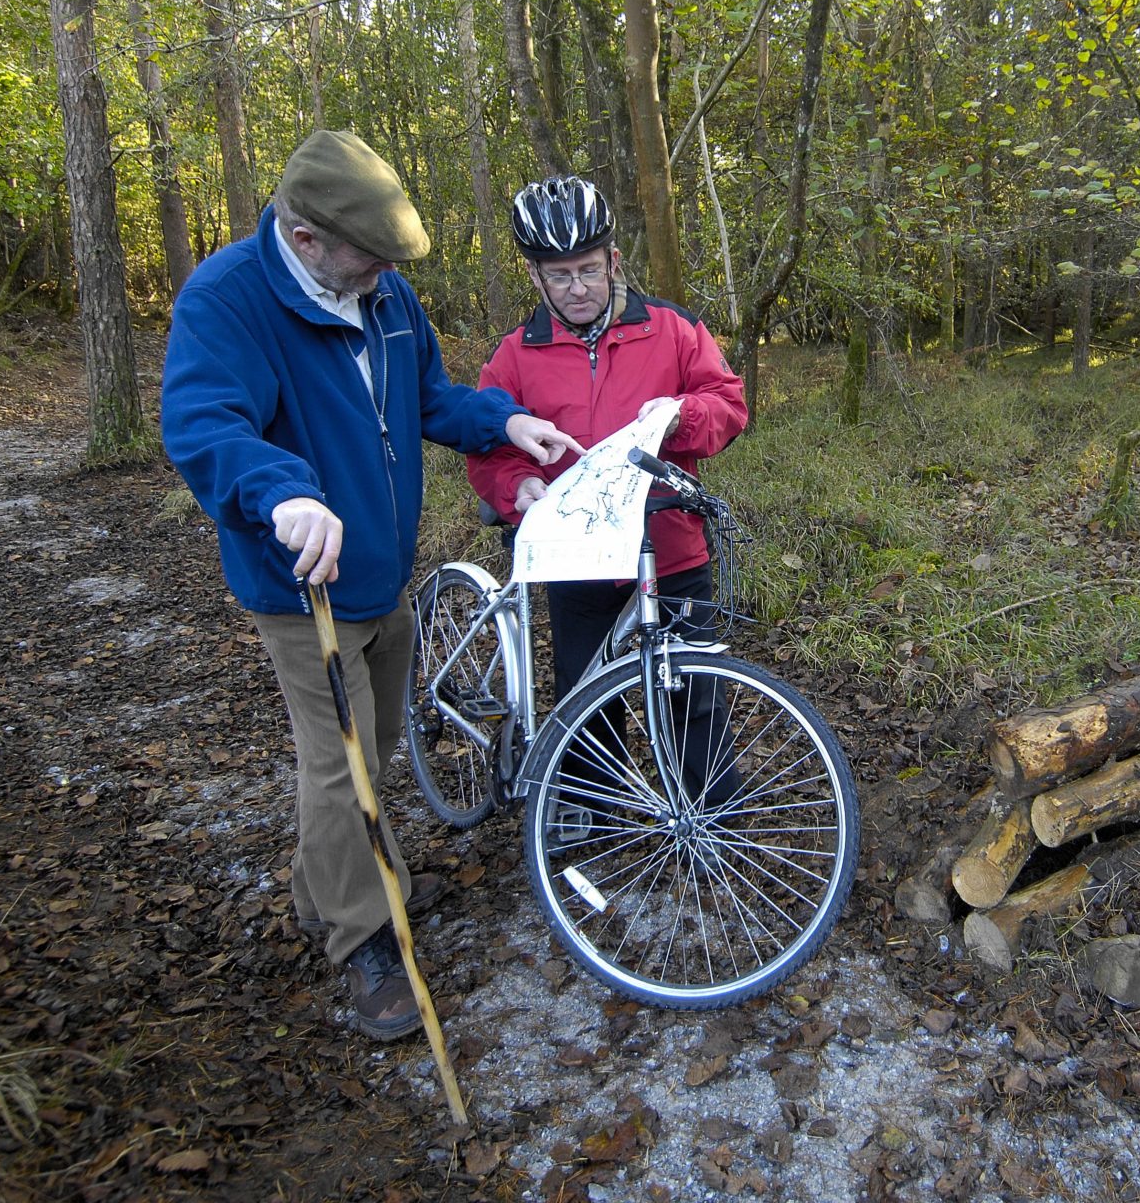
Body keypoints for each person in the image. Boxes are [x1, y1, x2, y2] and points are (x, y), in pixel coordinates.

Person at [161, 130, 579, 1041]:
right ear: (306, 238)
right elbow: (205, 427)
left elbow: (429, 397)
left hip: (380, 572)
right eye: (370, 256)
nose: (385, 274)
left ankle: (338, 885)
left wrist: (508, 421)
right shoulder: (229, 300)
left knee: (379, 744)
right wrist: (284, 495)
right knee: (339, 762)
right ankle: (361, 940)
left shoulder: (385, 296)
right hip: (299, 582)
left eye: (393, 259)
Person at [466, 176, 748, 804]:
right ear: (536, 278)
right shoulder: (516, 354)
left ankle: (712, 815)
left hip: (668, 544)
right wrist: (521, 485)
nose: (577, 289)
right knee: (586, 692)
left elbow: (728, 404)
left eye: (589, 271)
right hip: (578, 556)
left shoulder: (671, 329)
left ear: (613, 261)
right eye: (558, 276)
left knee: (691, 691)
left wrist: (682, 417)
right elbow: (487, 446)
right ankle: (595, 812)